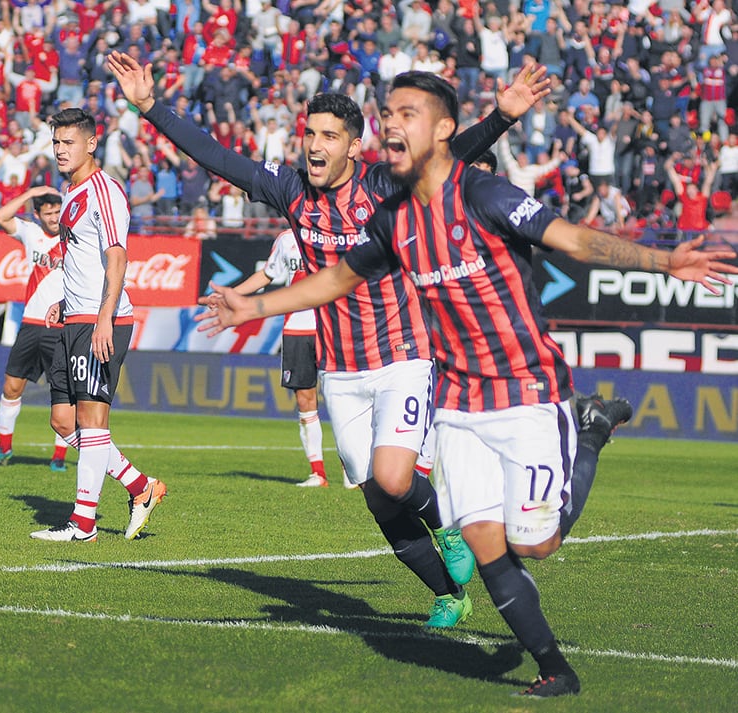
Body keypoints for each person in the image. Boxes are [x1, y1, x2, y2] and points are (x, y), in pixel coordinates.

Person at [195, 71, 738, 697]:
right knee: (483, 540)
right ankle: (555, 669)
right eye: (389, 112)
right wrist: (253, 307)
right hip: (457, 401)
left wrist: (667, 260)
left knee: (535, 546)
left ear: (444, 130)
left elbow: (579, 241)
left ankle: (589, 432)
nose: (392, 123)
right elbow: (338, 278)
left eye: (407, 113)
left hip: (529, 391)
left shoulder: (486, 196)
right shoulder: (395, 219)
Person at [109, 51, 551, 627]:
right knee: (375, 495)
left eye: (328, 136)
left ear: (353, 148)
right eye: (308, 133)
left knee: (396, 478)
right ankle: (448, 593)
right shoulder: (291, 190)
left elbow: (451, 155)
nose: (314, 145)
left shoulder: (382, 187)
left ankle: (447, 525)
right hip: (338, 370)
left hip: (402, 356)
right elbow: (217, 156)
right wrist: (150, 107)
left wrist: (503, 117)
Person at [30, 107, 167, 543]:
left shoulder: (105, 191)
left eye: (68, 142)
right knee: (63, 420)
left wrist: (103, 317)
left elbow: (116, 257)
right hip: (76, 316)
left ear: (91, 143)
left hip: (102, 319)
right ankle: (140, 487)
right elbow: (80, 259)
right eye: (56, 142)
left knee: (91, 420)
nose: (60, 150)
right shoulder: (70, 194)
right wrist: (65, 304)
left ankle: (83, 524)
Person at [0, 185, 72, 473]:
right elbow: (1, 216)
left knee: (63, 393)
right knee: (11, 386)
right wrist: (31, 192)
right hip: (30, 323)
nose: (55, 217)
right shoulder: (31, 233)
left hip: (60, 326)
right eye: (49, 213)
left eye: (58, 211)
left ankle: (59, 456)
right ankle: (4, 447)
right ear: (37, 214)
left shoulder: (75, 237)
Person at [233, 228, 333, 488]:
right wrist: (232, 295)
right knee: (305, 398)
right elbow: (267, 275)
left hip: (332, 326)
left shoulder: (337, 230)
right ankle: (318, 473)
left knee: (340, 397)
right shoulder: (287, 238)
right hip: (297, 328)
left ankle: (354, 473)